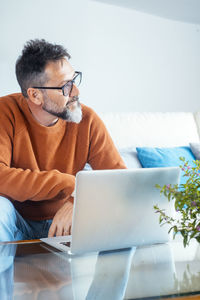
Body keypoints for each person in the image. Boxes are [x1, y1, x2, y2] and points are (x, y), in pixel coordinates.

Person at [0, 39, 126, 242]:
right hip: (17, 223)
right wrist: (71, 185)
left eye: (74, 81)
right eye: (65, 87)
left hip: (71, 224)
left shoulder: (87, 120)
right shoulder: (5, 112)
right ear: (35, 95)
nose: (76, 92)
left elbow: (120, 179)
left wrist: (79, 198)